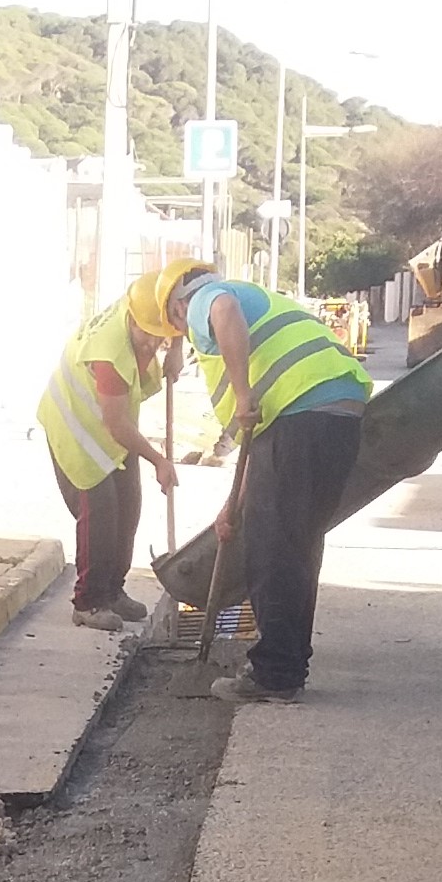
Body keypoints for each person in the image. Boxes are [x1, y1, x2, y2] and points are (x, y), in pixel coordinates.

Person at [167, 265, 375, 702]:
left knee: (273, 548)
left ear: (182, 304)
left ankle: (275, 674)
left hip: (301, 417)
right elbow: (258, 449)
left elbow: (221, 311)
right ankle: (288, 664)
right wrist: (233, 509)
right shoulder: (262, 303)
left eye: (175, 321)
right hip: (338, 416)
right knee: (298, 544)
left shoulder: (212, 296)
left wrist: (242, 392)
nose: (184, 334)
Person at [35, 261, 202, 625]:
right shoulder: (110, 351)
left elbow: (170, 319)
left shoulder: (146, 306)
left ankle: (113, 589)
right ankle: (88, 602)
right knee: (101, 513)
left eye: (159, 334)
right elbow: (116, 423)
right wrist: (159, 459)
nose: (152, 341)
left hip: (109, 426)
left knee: (129, 506)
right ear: (133, 320)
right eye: (149, 334)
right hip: (77, 427)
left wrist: (175, 348)